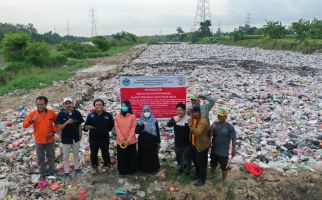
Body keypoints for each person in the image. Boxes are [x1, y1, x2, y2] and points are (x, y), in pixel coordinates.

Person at [23, 96, 58, 180]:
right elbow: (24, 125)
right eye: (38, 104)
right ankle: (42, 174)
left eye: (41, 104)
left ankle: (52, 171)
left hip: (50, 139)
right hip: (39, 140)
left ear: (46, 104)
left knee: (51, 156)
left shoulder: (51, 113)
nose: (39, 106)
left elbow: (57, 123)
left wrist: (53, 132)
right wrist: (31, 121)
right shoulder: (33, 114)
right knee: (40, 158)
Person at [83, 99, 114, 175]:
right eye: (97, 105)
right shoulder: (91, 115)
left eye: (100, 104)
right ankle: (94, 167)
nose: (98, 106)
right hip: (93, 138)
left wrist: (105, 130)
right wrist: (86, 128)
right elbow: (85, 127)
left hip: (104, 138)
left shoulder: (108, 115)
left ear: (103, 106)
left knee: (105, 152)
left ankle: (107, 165)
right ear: (94, 106)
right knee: (93, 153)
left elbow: (111, 126)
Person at [55, 97, 84, 179]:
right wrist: (67, 122)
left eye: (69, 103)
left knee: (76, 154)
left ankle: (77, 168)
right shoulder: (61, 114)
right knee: (65, 157)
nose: (68, 105)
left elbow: (79, 125)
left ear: (72, 104)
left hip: (76, 138)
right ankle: (66, 172)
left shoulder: (77, 113)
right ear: (63, 105)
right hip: (66, 139)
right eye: (66, 103)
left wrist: (80, 134)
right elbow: (59, 128)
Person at [209, 108, 236, 185]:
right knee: (213, 163)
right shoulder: (215, 124)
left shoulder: (229, 127)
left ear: (226, 117)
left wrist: (233, 149)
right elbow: (210, 135)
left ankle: (223, 181)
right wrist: (211, 128)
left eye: (221, 116)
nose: (219, 117)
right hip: (214, 149)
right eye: (218, 115)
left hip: (223, 152)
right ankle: (212, 174)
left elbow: (233, 139)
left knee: (224, 167)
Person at [167, 103, 191, 175]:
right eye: (177, 110)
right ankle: (180, 168)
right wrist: (175, 121)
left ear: (184, 110)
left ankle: (187, 170)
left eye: (180, 110)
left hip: (187, 143)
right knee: (178, 157)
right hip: (177, 142)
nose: (178, 112)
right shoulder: (175, 118)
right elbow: (168, 124)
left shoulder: (189, 118)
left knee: (187, 157)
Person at [189, 105, 210, 187]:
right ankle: (198, 175)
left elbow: (197, 133)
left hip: (202, 146)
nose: (192, 113)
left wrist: (191, 125)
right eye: (192, 112)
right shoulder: (194, 119)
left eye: (193, 112)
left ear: (198, 112)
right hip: (194, 144)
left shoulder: (203, 121)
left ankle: (202, 180)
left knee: (202, 164)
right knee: (196, 161)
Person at [114, 100, 137, 176]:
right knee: (122, 157)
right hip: (120, 141)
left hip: (131, 141)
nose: (124, 107)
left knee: (131, 157)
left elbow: (133, 129)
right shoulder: (117, 116)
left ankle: (131, 171)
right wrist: (122, 139)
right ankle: (122, 171)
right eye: (122, 105)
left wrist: (128, 140)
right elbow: (117, 128)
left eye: (125, 105)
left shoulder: (132, 116)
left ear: (128, 106)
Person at [136, 106, 160, 173]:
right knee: (143, 155)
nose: (146, 113)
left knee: (152, 155)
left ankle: (153, 169)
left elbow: (157, 131)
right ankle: (143, 169)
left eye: (148, 111)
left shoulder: (154, 121)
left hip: (152, 142)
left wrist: (158, 141)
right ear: (142, 112)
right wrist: (143, 125)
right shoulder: (140, 121)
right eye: (145, 111)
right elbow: (137, 131)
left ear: (150, 111)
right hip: (143, 142)